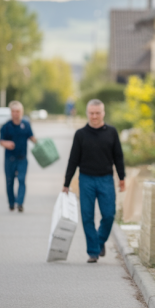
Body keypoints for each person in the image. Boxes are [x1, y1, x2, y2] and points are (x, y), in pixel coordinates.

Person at [62, 99, 125, 263]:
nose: (95, 116)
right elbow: (73, 160)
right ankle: (93, 252)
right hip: (86, 179)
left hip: (106, 179)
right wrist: (66, 183)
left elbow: (118, 157)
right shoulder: (80, 134)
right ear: (87, 113)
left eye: (98, 113)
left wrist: (122, 178)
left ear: (103, 113)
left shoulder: (111, 132)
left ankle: (99, 241)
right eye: (92, 113)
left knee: (109, 215)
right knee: (87, 216)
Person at [0, 101, 37, 212]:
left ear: (22, 112)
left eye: (18, 111)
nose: (16, 113)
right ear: (11, 112)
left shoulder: (26, 124)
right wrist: (6, 144)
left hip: (22, 158)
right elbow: (1, 141)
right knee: (9, 181)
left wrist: (41, 144)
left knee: (21, 180)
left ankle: (20, 203)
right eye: (13, 111)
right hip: (9, 159)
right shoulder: (6, 126)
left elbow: (32, 137)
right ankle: (11, 203)